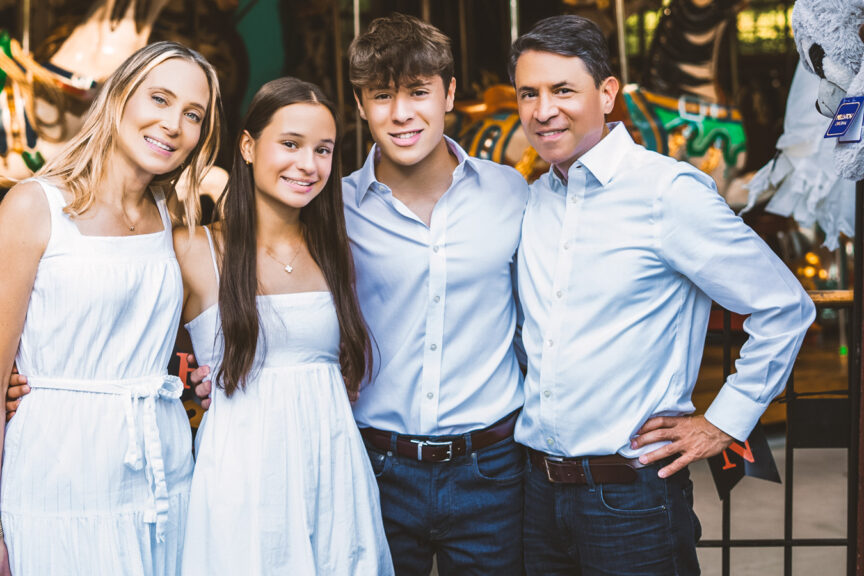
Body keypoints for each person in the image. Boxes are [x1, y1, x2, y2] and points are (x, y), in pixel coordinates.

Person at [509, 15, 816, 574]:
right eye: (528, 93)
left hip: (630, 500)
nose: (542, 109)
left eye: (562, 90)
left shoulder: (666, 193)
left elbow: (784, 306)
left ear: (606, 94)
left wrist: (724, 421)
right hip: (535, 494)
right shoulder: (533, 200)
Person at [0, 41, 222, 575]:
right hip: (58, 475)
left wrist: (212, 376)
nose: (173, 124)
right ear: (119, 96)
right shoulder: (36, 207)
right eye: (159, 98)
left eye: (192, 114)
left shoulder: (174, 220)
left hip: (163, 478)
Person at [176, 76, 393, 575]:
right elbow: (137, 345)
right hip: (243, 477)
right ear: (249, 146)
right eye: (290, 144)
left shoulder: (338, 249)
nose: (308, 165)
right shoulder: (195, 250)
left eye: (323, 150)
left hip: (333, 471)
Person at [343, 14, 528, 574]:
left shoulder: (511, 191)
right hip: (376, 466)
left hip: (492, 469)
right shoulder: (334, 207)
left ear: (448, 93)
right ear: (360, 105)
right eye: (382, 96)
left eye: (418, 92)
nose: (401, 114)